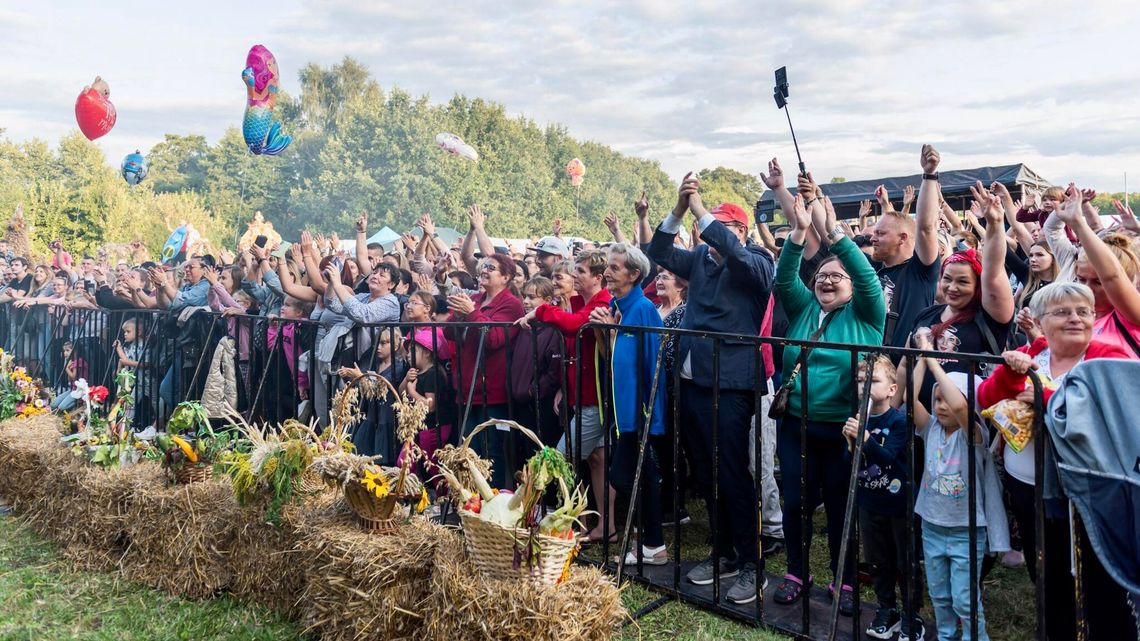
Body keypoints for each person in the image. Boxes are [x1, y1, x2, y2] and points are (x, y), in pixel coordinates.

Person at [647, 173, 774, 605]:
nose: (707, 230)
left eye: (720, 224)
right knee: (705, 470)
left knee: (732, 469)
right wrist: (681, 208)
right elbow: (658, 251)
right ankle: (722, 553)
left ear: (739, 231)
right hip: (693, 380)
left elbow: (740, 257)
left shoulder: (756, 260)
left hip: (731, 381)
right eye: (706, 224)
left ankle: (750, 561)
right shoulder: (700, 259)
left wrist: (703, 210)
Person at [979, 281, 1130, 641]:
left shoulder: (1109, 356)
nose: (1075, 318)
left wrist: (1045, 396)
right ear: (1041, 321)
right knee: (1047, 573)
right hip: (1028, 485)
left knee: (1098, 580)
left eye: (1083, 311)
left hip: (1088, 491)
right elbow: (986, 398)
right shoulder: (1035, 352)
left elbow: (1108, 415)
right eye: (1062, 312)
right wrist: (1010, 372)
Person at [772, 193, 886, 614]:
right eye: (822, 275)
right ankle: (797, 572)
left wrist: (835, 236)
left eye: (838, 276)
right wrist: (799, 233)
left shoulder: (867, 314)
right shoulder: (803, 307)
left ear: (853, 286)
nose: (828, 280)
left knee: (841, 505)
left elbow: (864, 273)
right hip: (796, 423)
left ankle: (844, 580)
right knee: (796, 501)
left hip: (844, 427)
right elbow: (786, 277)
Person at [910, 328, 1009, 641]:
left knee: (966, 600)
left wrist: (933, 359)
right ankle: (946, 636)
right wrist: (922, 360)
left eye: (946, 399)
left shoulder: (974, 435)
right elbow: (911, 400)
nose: (941, 406)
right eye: (937, 398)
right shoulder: (931, 430)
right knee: (939, 596)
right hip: (932, 526)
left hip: (966, 531)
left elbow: (962, 408)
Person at [522, 249, 612, 539]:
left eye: (581, 272)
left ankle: (564, 525)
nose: (575, 276)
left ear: (598, 278)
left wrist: (541, 311)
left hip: (594, 400)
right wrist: (564, 386)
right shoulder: (581, 302)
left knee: (561, 459)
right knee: (596, 461)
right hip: (582, 395)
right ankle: (603, 527)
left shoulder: (601, 302)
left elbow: (576, 326)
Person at [589, 243, 667, 565]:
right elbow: (614, 360)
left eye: (615, 268)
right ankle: (652, 545)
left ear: (634, 275)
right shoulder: (616, 307)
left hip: (639, 414)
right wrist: (604, 332)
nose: (606, 272)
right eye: (608, 266)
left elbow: (654, 364)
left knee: (629, 477)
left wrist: (651, 414)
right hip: (622, 413)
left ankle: (651, 544)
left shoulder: (643, 310)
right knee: (637, 476)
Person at [909, 181, 1016, 405]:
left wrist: (995, 224)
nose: (952, 287)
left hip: (968, 424)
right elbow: (904, 366)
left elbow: (994, 272)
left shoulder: (989, 317)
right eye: (947, 279)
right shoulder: (926, 315)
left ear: (978, 285)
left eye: (963, 281)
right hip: (921, 422)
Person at [843, 356, 924, 640]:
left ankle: (912, 613)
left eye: (872, 381)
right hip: (870, 501)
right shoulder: (857, 418)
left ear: (892, 389)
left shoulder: (898, 421)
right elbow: (851, 461)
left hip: (898, 503)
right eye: (860, 381)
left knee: (905, 560)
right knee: (878, 559)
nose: (864, 386)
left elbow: (888, 456)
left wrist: (865, 439)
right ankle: (886, 608)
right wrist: (851, 442)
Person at [444, 252, 524, 489]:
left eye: (492, 267)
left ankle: (493, 500)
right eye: (483, 266)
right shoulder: (476, 300)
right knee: (470, 450)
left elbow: (494, 340)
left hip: (493, 392)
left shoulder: (511, 305)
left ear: (506, 276)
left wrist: (470, 313)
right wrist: (459, 316)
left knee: (492, 452)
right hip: (468, 389)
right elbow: (449, 333)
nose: (484, 271)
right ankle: (471, 502)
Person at [864, 147, 942, 347]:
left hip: (907, 370)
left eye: (879, 234)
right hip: (873, 370)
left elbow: (925, 227)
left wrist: (930, 175)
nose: (872, 239)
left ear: (903, 239)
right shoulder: (875, 269)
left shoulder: (920, 271)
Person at [1052, 184, 1140, 359]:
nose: (1087, 288)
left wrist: (1078, 224)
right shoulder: (1076, 321)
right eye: (1081, 279)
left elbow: (1112, 276)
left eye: (1098, 282)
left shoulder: (1132, 315)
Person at [509, 277, 563, 449]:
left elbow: (554, 370)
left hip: (540, 403)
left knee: (541, 451)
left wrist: (534, 391)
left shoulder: (552, 329)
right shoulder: (525, 326)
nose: (525, 301)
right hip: (521, 401)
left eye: (532, 297)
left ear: (547, 301)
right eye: (525, 296)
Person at [398, 327, 454, 482]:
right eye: (408, 351)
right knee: (404, 462)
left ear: (428, 353)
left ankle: (442, 499)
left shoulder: (433, 373)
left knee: (433, 465)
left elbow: (430, 405)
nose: (409, 355)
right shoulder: (414, 371)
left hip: (433, 427)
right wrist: (406, 381)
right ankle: (411, 494)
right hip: (417, 427)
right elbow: (399, 393)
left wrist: (412, 391)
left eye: (413, 351)